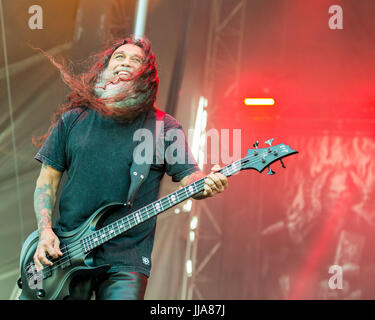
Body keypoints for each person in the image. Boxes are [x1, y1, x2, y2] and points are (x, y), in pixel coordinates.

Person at [31, 36, 228, 300]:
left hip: (126, 261)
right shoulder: (75, 119)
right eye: (119, 57)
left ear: (145, 76)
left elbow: (189, 178)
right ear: (105, 67)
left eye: (136, 60)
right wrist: (45, 231)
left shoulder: (163, 128)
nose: (125, 63)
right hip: (67, 252)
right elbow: (47, 180)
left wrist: (206, 183)